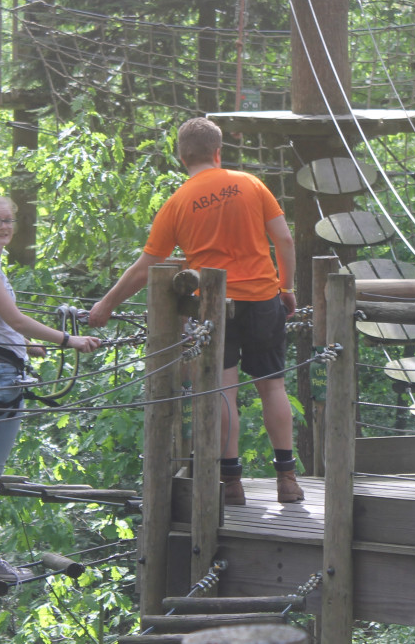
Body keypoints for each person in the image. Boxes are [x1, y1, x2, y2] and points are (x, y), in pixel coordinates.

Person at [88, 118, 304, 505]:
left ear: (181, 156)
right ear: (218, 151)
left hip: (214, 306)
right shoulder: (252, 185)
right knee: (273, 386)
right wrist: (285, 287)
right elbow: (284, 239)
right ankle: (287, 479)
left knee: (223, 390)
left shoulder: (177, 203)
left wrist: (107, 304)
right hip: (262, 298)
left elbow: (144, 268)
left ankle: (232, 483)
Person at [0, 195, 101, 583]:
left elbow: (0, 325)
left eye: (7, 220)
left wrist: (26, 346)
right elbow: (15, 320)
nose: (2, 227)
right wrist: (66, 341)